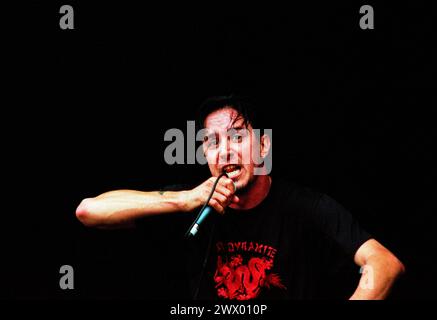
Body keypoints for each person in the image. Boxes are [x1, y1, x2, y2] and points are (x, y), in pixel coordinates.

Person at [76, 95, 405, 300]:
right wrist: (183, 200)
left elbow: (385, 265)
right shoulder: (191, 201)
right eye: (212, 142)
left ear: (263, 147)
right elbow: (89, 211)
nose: (225, 151)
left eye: (236, 137)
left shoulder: (307, 207)